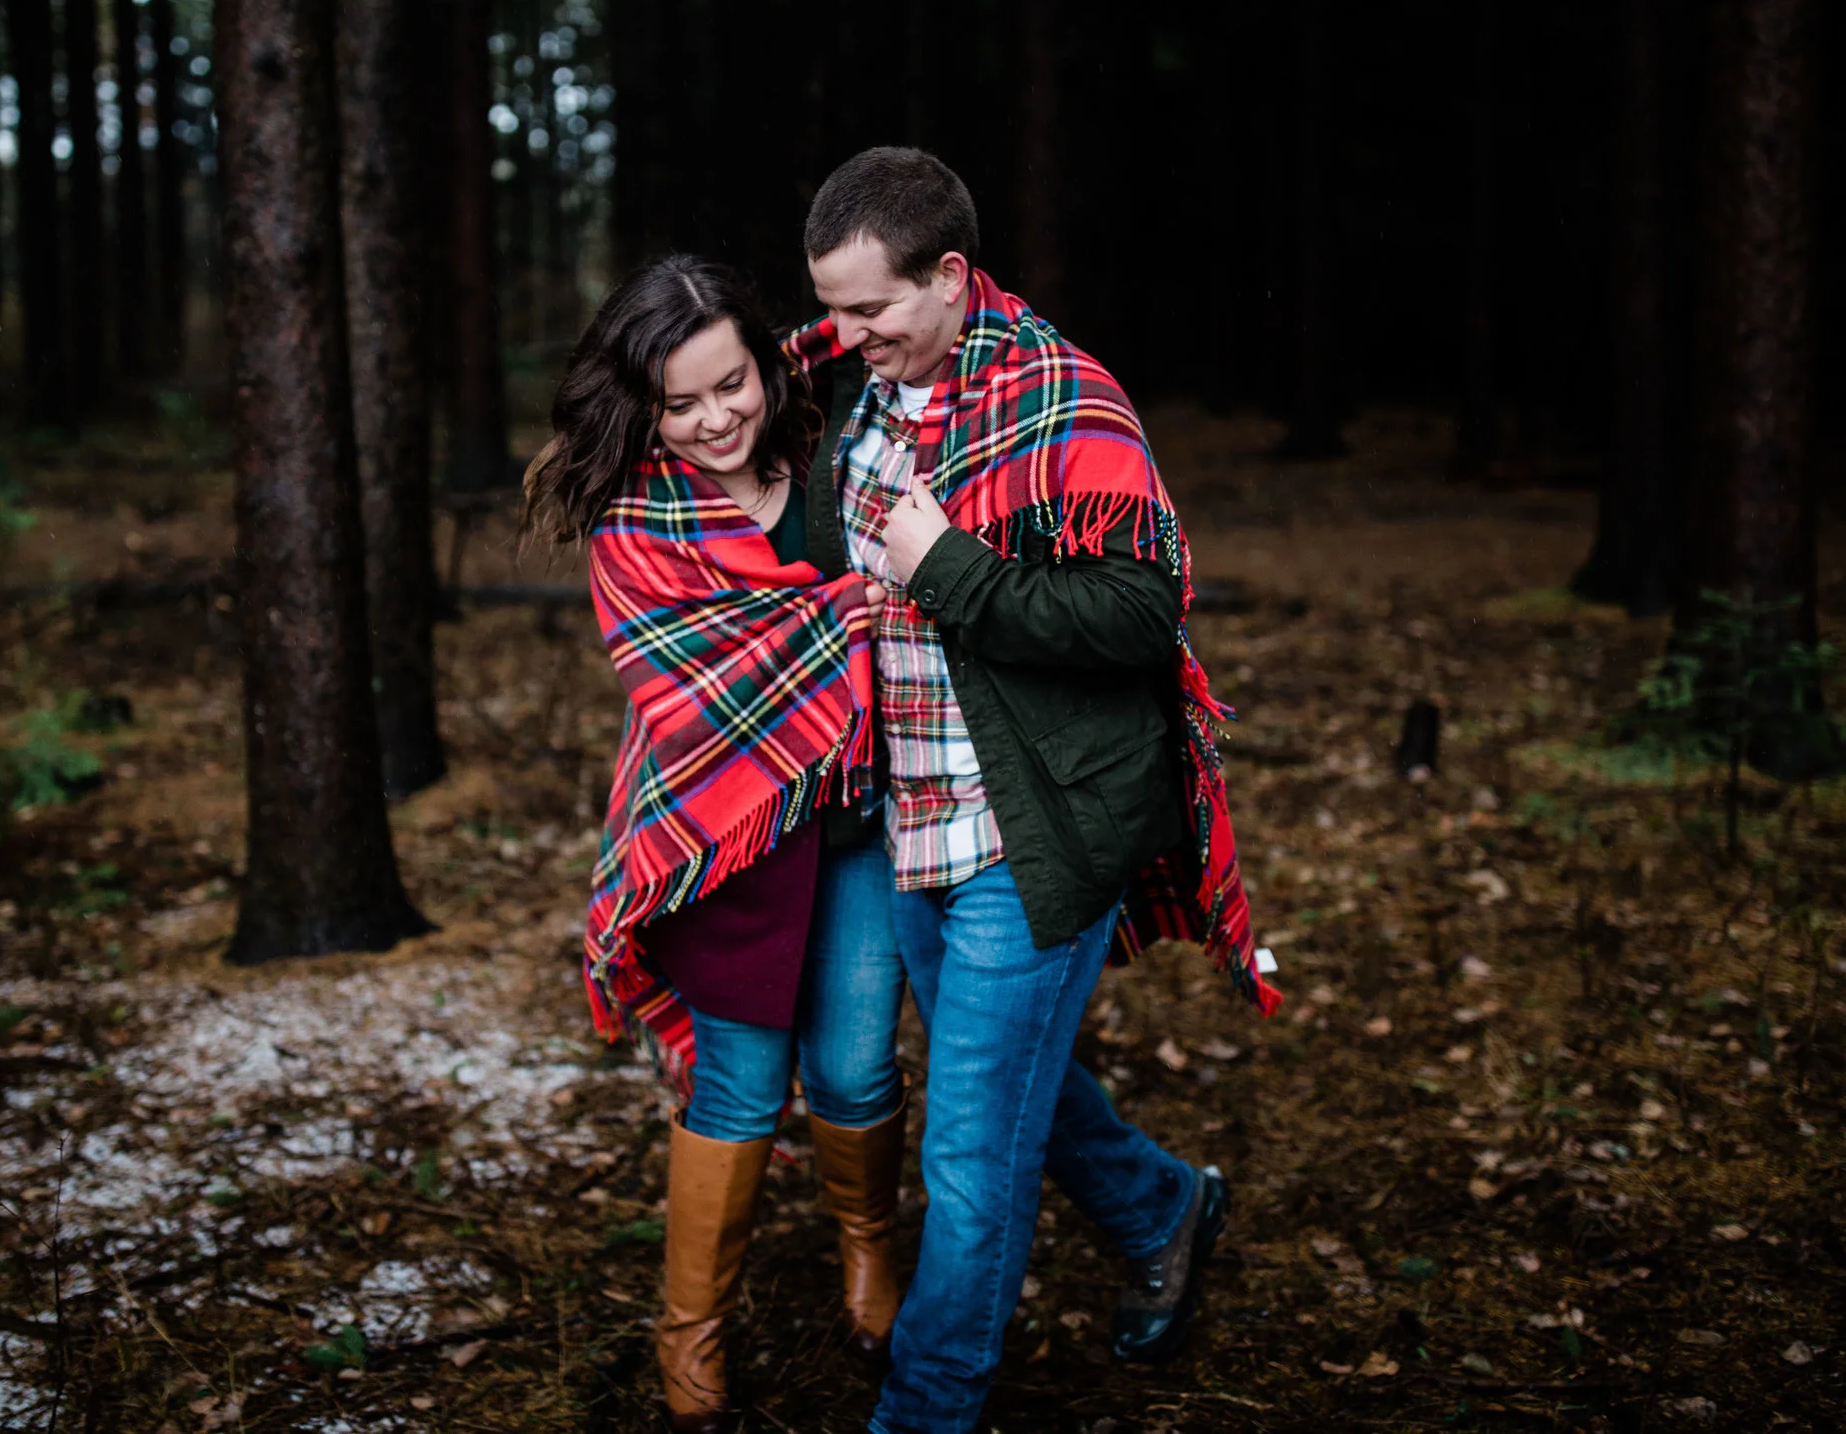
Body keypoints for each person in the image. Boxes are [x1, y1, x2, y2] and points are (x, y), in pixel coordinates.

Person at [780, 148, 1282, 1434]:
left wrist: (945, 565)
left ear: (950, 279)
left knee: (968, 1154)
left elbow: (1140, 609)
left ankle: (925, 1410)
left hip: (1034, 824)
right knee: (1007, 1088)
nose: (845, 337)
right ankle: (1165, 1208)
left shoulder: (1065, 399)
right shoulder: (875, 393)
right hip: (913, 818)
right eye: (831, 310)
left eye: (869, 310)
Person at [526, 254, 911, 1433]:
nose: (713, 420)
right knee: (739, 1089)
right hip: (722, 838)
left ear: (765, 354)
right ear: (643, 406)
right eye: (679, 403)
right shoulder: (637, 521)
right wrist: (851, 612)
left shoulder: (840, 447)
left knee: (852, 1066)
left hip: (851, 828)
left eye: (730, 383)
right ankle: (688, 1328)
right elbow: (685, 696)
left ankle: (868, 1250)